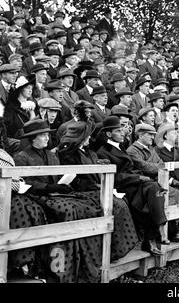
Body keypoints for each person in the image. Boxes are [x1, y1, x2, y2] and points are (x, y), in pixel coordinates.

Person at [14, 119, 104, 282]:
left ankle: (83, 260)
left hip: (55, 194)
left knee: (87, 207)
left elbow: (58, 176)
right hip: (37, 196)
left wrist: (64, 183)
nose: (47, 138)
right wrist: (50, 188)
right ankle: (60, 266)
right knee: (67, 210)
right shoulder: (21, 156)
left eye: (47, 135)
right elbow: (25, 182)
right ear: (33, 138)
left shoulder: (51, 154)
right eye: (42, 136)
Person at [57, 120, 139, 261]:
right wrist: (95, 186)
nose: (90, 138)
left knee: (120, 202)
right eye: (87, 136)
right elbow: (75, 180)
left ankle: (115, 248)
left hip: (95, 187)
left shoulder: (90, 152)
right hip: (81, 190)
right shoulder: (68, 154)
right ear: (80, 137)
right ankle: (111, 250)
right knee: (117, 205)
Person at [96, 116, 169, 255]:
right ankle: (157, 232)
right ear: (108, 134)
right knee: (154, 190)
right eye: (118, 131)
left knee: (155, 189)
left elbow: (131, 167)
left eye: (122, 130)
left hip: (133, 183)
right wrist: (138, 177)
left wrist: (139, 177)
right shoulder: (103, 152)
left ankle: (156, 231)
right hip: (121, 186)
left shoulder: (120, 146)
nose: (122, 133)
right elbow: (115, 176)